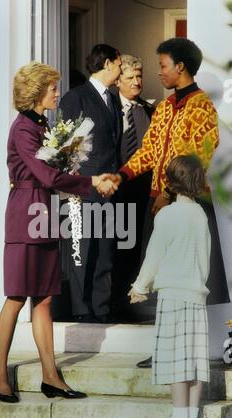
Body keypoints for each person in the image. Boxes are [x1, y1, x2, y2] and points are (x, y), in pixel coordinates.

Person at [0, 61, 117, 403]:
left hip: (44, 212)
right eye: (52, 88)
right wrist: (90, 180)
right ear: (36, 92)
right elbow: (46, 175)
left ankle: (51, 376)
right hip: (25, 213)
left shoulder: (40, 123)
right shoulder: (23, 128)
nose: (57, 93)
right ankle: (0, 374)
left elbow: (51, 172)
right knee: (17, 296)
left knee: (45, 299)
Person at [110, 37, 230, 367]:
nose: (159, 73)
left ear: (180, 67)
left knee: (189, 282)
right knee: (165, 281)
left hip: (188, 206)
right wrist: (121, 175)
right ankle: (166, 349)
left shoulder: (202, 107)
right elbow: (148, 152)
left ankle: (191, 352)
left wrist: (168, 194)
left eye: (163, 66)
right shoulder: (163, 108)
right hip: (159, 204)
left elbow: (197, 159)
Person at [128, 155, 210, 418]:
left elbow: (154, 256)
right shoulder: (200, 216)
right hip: (196, 298)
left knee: (177, 361)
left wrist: (140, 286)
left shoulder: (167, 216)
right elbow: (205, 257)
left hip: (174, 297)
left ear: (171, 183)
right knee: (195, 361)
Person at [55, 44, 123, 323]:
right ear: (107, 64)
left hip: (109, 189)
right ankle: (83, 310)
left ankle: (101, 308)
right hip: (84, 189)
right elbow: (67, 147)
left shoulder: (114, 99)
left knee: (105, 251)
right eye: (119, 64)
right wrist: (76, 187)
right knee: (81, 249)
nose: (120, 70)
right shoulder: (76, 97)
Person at [111, 54, 155, 321]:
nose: (137, 82)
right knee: (115, 249)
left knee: (138, 247)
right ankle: (114, 304)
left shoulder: (149, 110)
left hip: (141, 193)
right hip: (114, 191)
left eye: (139, 76)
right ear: (118, 80)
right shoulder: (109, 109)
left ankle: (133, 304)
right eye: (130, 78)